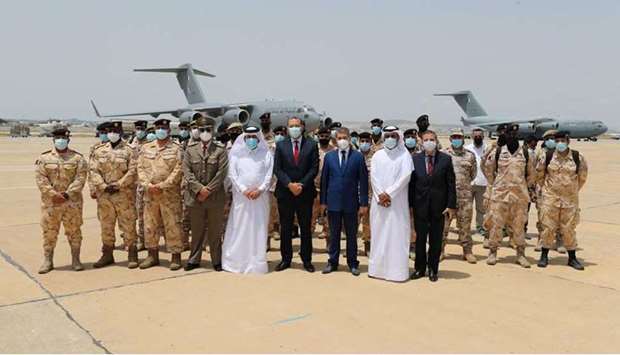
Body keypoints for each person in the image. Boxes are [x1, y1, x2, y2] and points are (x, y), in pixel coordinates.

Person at [35, 127, 88, 273]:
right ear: (53, 140)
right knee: (49, 232)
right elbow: (41, 179)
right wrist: (53, 194)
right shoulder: (44, 158)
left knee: (74, 231)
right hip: (51, 204)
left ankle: (76, 260)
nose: (61, 141)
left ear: (68, 139)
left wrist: (67, 194)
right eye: (58, 138)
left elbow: (81, 178)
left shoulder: (77, 158)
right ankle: (48, 260)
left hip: (72, 203)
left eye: (63, 138)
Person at [482, 124, 535, 268]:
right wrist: (496, 185)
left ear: (518, 135)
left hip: (519, 197)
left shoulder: (526, 153)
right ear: (505, 135)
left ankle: (520, 254)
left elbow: (531, 175)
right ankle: (493, 252)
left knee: (519, 225)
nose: (511, 136)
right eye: (508, 133)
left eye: (514, 133)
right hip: (500, 196)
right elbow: (488, 170)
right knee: (495, 225)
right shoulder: (498, 151)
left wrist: (521, 186)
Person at [222, 126, 274, 273]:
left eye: (254, 137)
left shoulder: (266, 154)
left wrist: (260, 189)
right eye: (248, 137)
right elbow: (233, 175)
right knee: (240, 227)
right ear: (244, 138)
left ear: (258, 138)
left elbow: (269, 175)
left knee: (258, 228)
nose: (251, 139)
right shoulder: (237, 154)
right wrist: (244, 190)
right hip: (242, 198)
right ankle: (237, 261)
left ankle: (257, 260)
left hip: (260, 198)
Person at [89, 121, 139, 269]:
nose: (112, 134)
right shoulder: (99, 150)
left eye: (115, 131)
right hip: (105, 196)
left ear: (121, 132)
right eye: (109, 131)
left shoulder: (129, 150)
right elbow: (93, 171)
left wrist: (119, 184)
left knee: (128, 225)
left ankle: (132, 253)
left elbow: (133, 170)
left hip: (124, 195)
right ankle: (107, 254)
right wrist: (103, 186)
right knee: (106, 225)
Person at [137, 118, 185, 270]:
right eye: (158, 128)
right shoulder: (146, 148)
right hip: (150, 195)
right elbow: (140, 169)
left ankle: (175, 256)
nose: (160, 130)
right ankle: (152, 255)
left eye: (163, 128)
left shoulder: (176, 149)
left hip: (169, 195)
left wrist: (162, 185)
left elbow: (178, 171)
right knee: (150, 225)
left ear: (169, 130)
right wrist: (147, 185)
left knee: (173, 225)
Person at [320, 127, 369, 276]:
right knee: (334, 234)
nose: (342, 141)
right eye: (339, 138)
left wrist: (364, 203)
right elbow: (324, 181)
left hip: (351, 203)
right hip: (333, 202)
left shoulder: (358, 157)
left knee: (351, 235)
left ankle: (353, 263)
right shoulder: (329, 157)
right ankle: (332, 262)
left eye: (344, 138)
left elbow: (363, 182)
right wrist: (323, 201)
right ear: (335, 140)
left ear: (349, 139)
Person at [182, 116, 229, 271]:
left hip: (215, 198)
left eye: (208, 130)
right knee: (196, 231)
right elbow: (187, 172)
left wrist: (208, 190)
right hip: (195, 199)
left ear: (213, 131)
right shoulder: (190, 150)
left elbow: (222, 173)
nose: (205, 133)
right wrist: (199, 189)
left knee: (215, 231)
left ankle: (217, 260)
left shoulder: (220, 151)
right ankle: (194, 259)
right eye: (202, 130)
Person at [409, 130, 457, 282]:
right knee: (420, 240)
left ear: (436, 141)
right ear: (421, 142)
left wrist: (451, 205)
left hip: (439, 207)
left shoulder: (445, 160)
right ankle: (419, 268)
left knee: (436, 240)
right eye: (426, 139)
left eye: (432, 139)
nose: (429, 142)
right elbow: (411, 185)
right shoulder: (414, 159)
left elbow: (451, 184)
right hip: (420, 206)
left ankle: (433, 269)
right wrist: (410, 205)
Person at [273, 116, 319, 272]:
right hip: (285, 193)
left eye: (297, 126)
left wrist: (301, 184)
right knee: (285, 227)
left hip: (305, 193)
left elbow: (314, 168)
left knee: (305, 228)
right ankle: (286, 259)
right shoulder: (280, 145)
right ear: (287, 128)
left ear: (302, 127)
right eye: (291, 126)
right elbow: (277, 169)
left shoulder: (312, 145)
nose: (294, 128)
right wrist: (289, 184)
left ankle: (307, 260)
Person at [536, 131, 588, 270]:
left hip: (569, 201)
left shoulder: (578, 157)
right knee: (547, 227)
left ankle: (572, 258)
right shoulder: (547, 156)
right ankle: (544, 256)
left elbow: (582, 178)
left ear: (568, 141)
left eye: (562, 140)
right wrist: (548, 191)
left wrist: (571, 192)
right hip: (550, 199)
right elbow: (539, 176)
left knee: (569, 229)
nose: (559, 143)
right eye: (557, 140)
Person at [368, 126, 414, 282]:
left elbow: (405, 177)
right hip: (379, 202)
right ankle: (377, 270)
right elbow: (373, 177)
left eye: (393, 135)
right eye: (387, 135)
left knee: (397, 235)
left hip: (397, 203)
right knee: (378, 233)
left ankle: (397, 272)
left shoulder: (405, 155)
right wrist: (380, 194)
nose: (390, 138)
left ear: (398, 137)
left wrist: (389, 194)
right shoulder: (377, 155)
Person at [441, 128, 477, 263]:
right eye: (454, 137)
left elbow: (473, 174)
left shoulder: (470, 155)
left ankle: (467, 251)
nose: (457, 139)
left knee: (465, 226)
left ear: (463, 139)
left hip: (465, 197)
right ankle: (440, 250)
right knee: (443, 226)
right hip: (446, 197)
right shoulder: (443, 154)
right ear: (450, 139)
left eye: (459, 137)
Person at [534, 129, 564, 252]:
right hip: (543, 190)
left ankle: (559, 241)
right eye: (548, 139)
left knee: (560, 216)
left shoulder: (563, 153)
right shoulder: (540, 153)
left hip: (559, 190)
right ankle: (542, 240)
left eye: (553, 138)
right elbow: (535, 171)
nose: (551, 140)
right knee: (543, 216)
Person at [465, 128, 488, 237]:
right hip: (469, 184)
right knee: (467, 208)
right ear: (472, 137)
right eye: (476, 136)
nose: (478, 137)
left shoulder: (487, 149)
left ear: (483, 137)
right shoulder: (467, 149)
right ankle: (465, 228)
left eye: (480, 136)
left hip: (483, 183)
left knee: (481, 208)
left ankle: (480, 227)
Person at [130, 120, 149, 250]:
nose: (139, 130)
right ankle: (139, 239)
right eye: (137, 128)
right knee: (136, 214)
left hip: (146, 184)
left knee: (148, 214)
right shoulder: (130, 145)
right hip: (133, 185)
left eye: (141, 128)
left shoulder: (151, 144)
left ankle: (148, 239)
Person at [312, 127, 333, 244]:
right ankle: (307, 246)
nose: (324, 138)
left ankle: (329, 244)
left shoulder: (334, 151)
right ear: (318, 137)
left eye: (326, 136)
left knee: (329, 218)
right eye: (321, 136)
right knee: (311, 216)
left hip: (329, 189)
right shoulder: (313, 149)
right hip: (314, 188)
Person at [403, 128, 419, 259]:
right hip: (401, 193)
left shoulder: (420, 154)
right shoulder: (400, 154)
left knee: (414, 221)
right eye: (407, 137)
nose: (410, 139)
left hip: (416, 193)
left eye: (412, 137)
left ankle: (413, 246)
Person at [358, 132, 373, 256]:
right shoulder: (354, 155)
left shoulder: (376, 156)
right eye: (362, 141)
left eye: (366, 141)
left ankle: (368, 245)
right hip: (355, 193)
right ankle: (351, 246)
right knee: (352, 223)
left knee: (367, 222)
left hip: (371, 194)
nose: (364, 143)